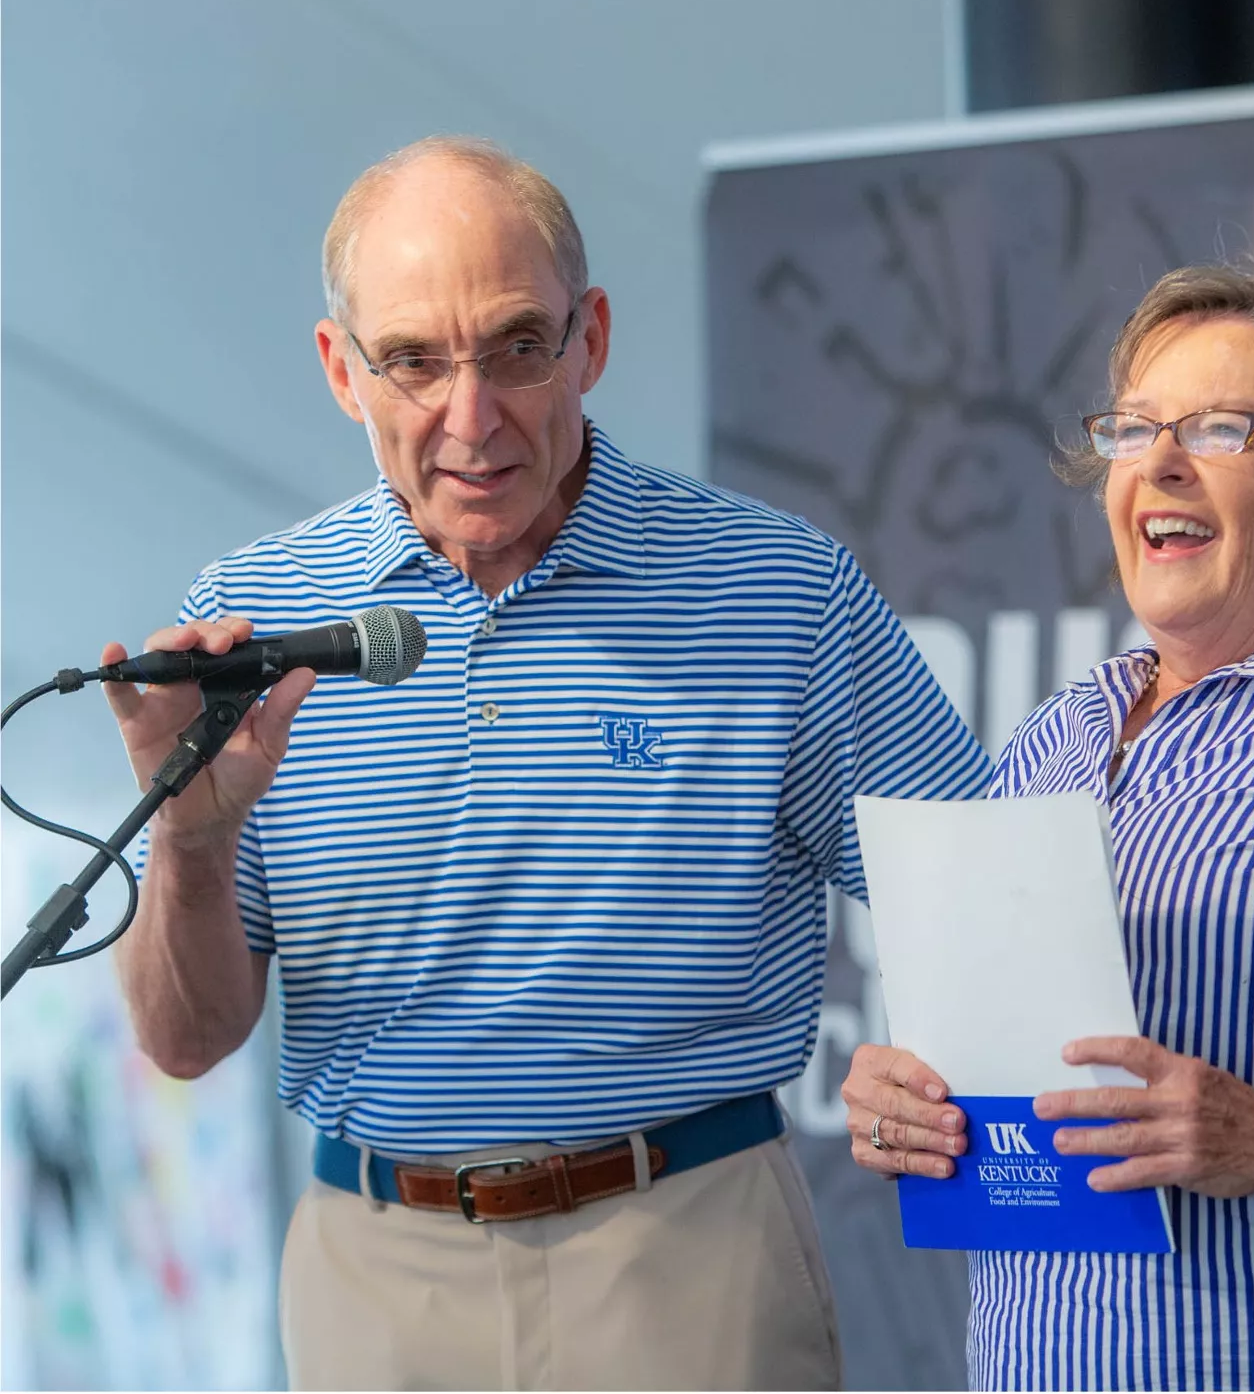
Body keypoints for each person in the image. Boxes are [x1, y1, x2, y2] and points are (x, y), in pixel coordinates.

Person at [104, 135, 995, 1391]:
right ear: (338, 371)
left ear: (592, 339)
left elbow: (976, 894)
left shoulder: (773, 589)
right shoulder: (252, 615)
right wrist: (189, 840)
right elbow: (187, 1040)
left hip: (688, 1254)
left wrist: (932, 1064)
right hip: (376, 1280)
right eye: (412, 361)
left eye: (517, 346)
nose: (471, 419)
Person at [842, 267, 1254, 1392]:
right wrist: (909, 1098)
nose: (1158, 462)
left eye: (1222, 428)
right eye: (1132, 428)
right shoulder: (1053, 736)